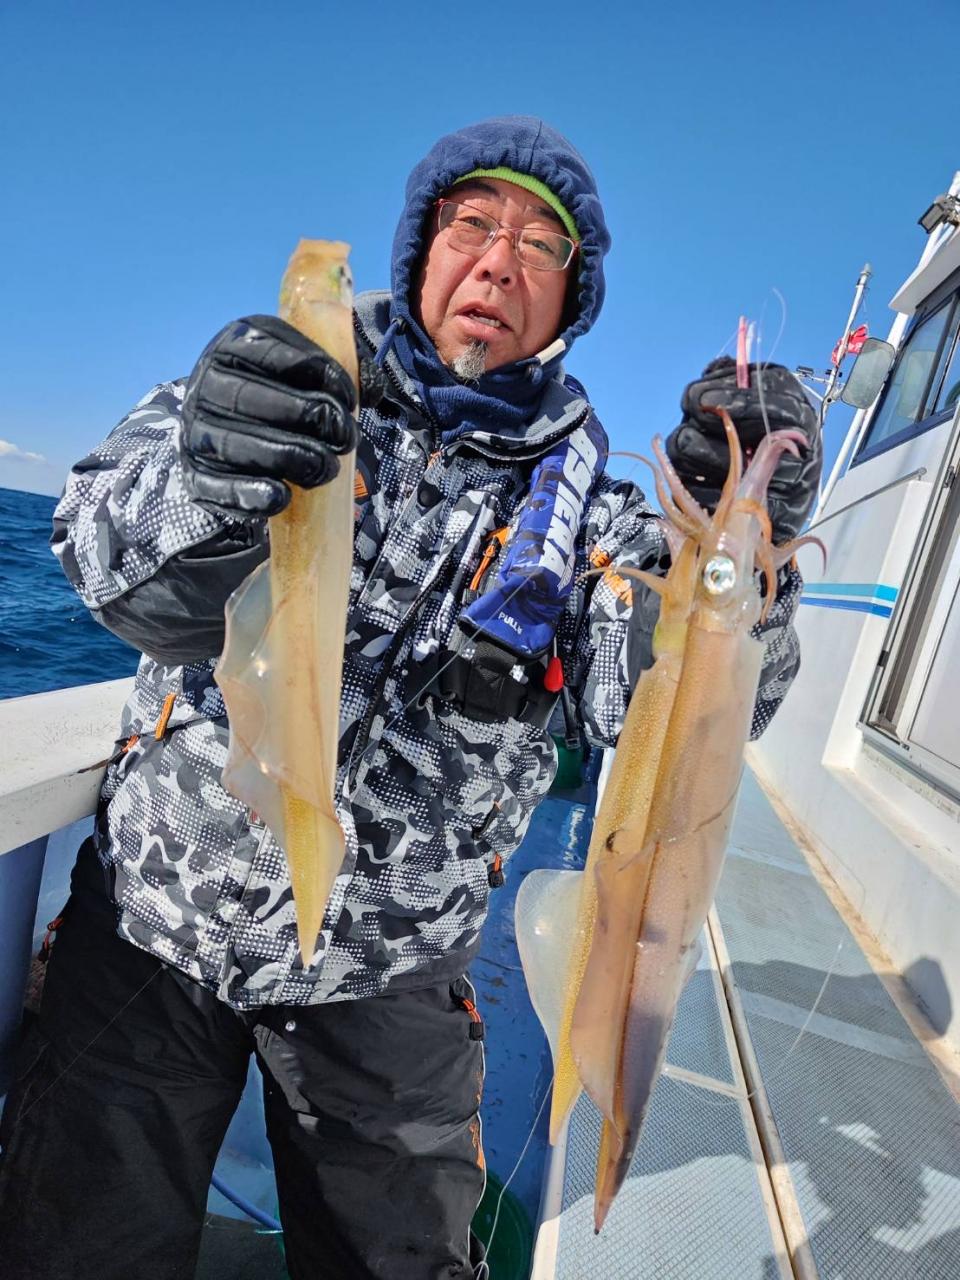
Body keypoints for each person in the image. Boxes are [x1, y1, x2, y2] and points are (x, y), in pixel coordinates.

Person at [0, 116, 820, 1280]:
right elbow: (99, 560)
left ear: (573, 294)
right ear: (420, 251)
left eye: (541, 245)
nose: (500, 261)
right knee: (74, 1244)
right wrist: (210, 470)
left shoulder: (596, 513)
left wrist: (744, 563)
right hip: (157, 922)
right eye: (473, 224)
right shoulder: (271, 381)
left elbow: (661, 701)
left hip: (391, 969)